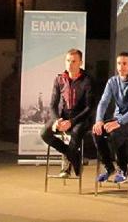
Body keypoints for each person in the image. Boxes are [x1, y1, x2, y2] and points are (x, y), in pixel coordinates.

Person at [93, 52, 128, 184]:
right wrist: (99, 120)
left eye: (124, 63)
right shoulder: (112, 81)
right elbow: (103, 102)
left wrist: (119, 122)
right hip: (117, 118)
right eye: (119, 63)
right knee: (97, 132)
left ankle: (123, 169)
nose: (121, 67)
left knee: (116, 134)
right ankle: (109, 167)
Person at [40, 49, 94, 177]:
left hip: (80, 118)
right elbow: (53, 104)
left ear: (80, 63)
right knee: (44, 133)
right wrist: (57, 120)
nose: (70, 64)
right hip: (63, 117)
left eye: (74, 61)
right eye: (68, 61)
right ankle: (75, 158)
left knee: (75, 134)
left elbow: (89, 107)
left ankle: (65, 169)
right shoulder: (59, 79)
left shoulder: (88, 80)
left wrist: (72, 122)